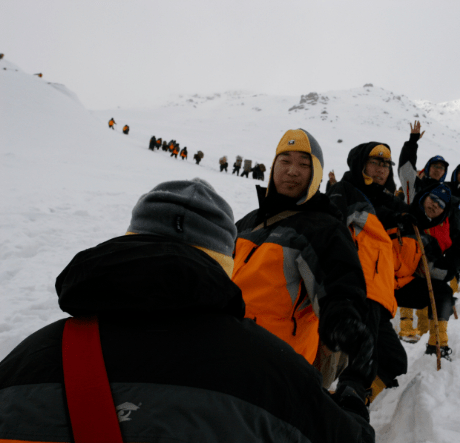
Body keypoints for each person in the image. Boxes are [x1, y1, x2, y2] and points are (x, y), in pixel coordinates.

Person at [0, 178, 374, 443]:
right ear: (223, 263)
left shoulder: (24, 362)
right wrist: (354, 393)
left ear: (130, 239)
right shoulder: (271, 373)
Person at [233, 128, 374, 411]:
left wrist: (342, 319)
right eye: (285, 161)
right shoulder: (247, 222)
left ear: (316, 174)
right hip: (228, 356)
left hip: (281, 369)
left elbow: (340, 283)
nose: (292, 171)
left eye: (304, 164)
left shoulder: (323, 227)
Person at [326, 141, 408, 404]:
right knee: (360, 361)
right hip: (356, 288)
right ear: (360, 164)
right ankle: (345, 411)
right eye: (376, 162)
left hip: (379, 294)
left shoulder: (388, 202)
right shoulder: (345, 190)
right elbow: (331, 232)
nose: (382, 169)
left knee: (393, 360)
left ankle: (345, 403)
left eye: (386, 164)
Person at [395, 183, 460, 359]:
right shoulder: (400, 216)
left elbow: (438, 273)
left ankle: (437, 347)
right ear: (424, 196)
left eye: (441, 204)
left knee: (442, 292)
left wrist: (459, 249)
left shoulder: (428, 240)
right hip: (376, 283)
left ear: (444, 212)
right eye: (433, 199)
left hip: (398, 286)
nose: (435, 205)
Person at [398, 120, 450, 203]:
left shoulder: (445, 193)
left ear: (445, 172)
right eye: (435, 166)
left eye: (442, 168)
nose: (438, 170)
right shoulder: (416, 184)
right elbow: (406, 168)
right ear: (428, 168)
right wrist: (412, 142)